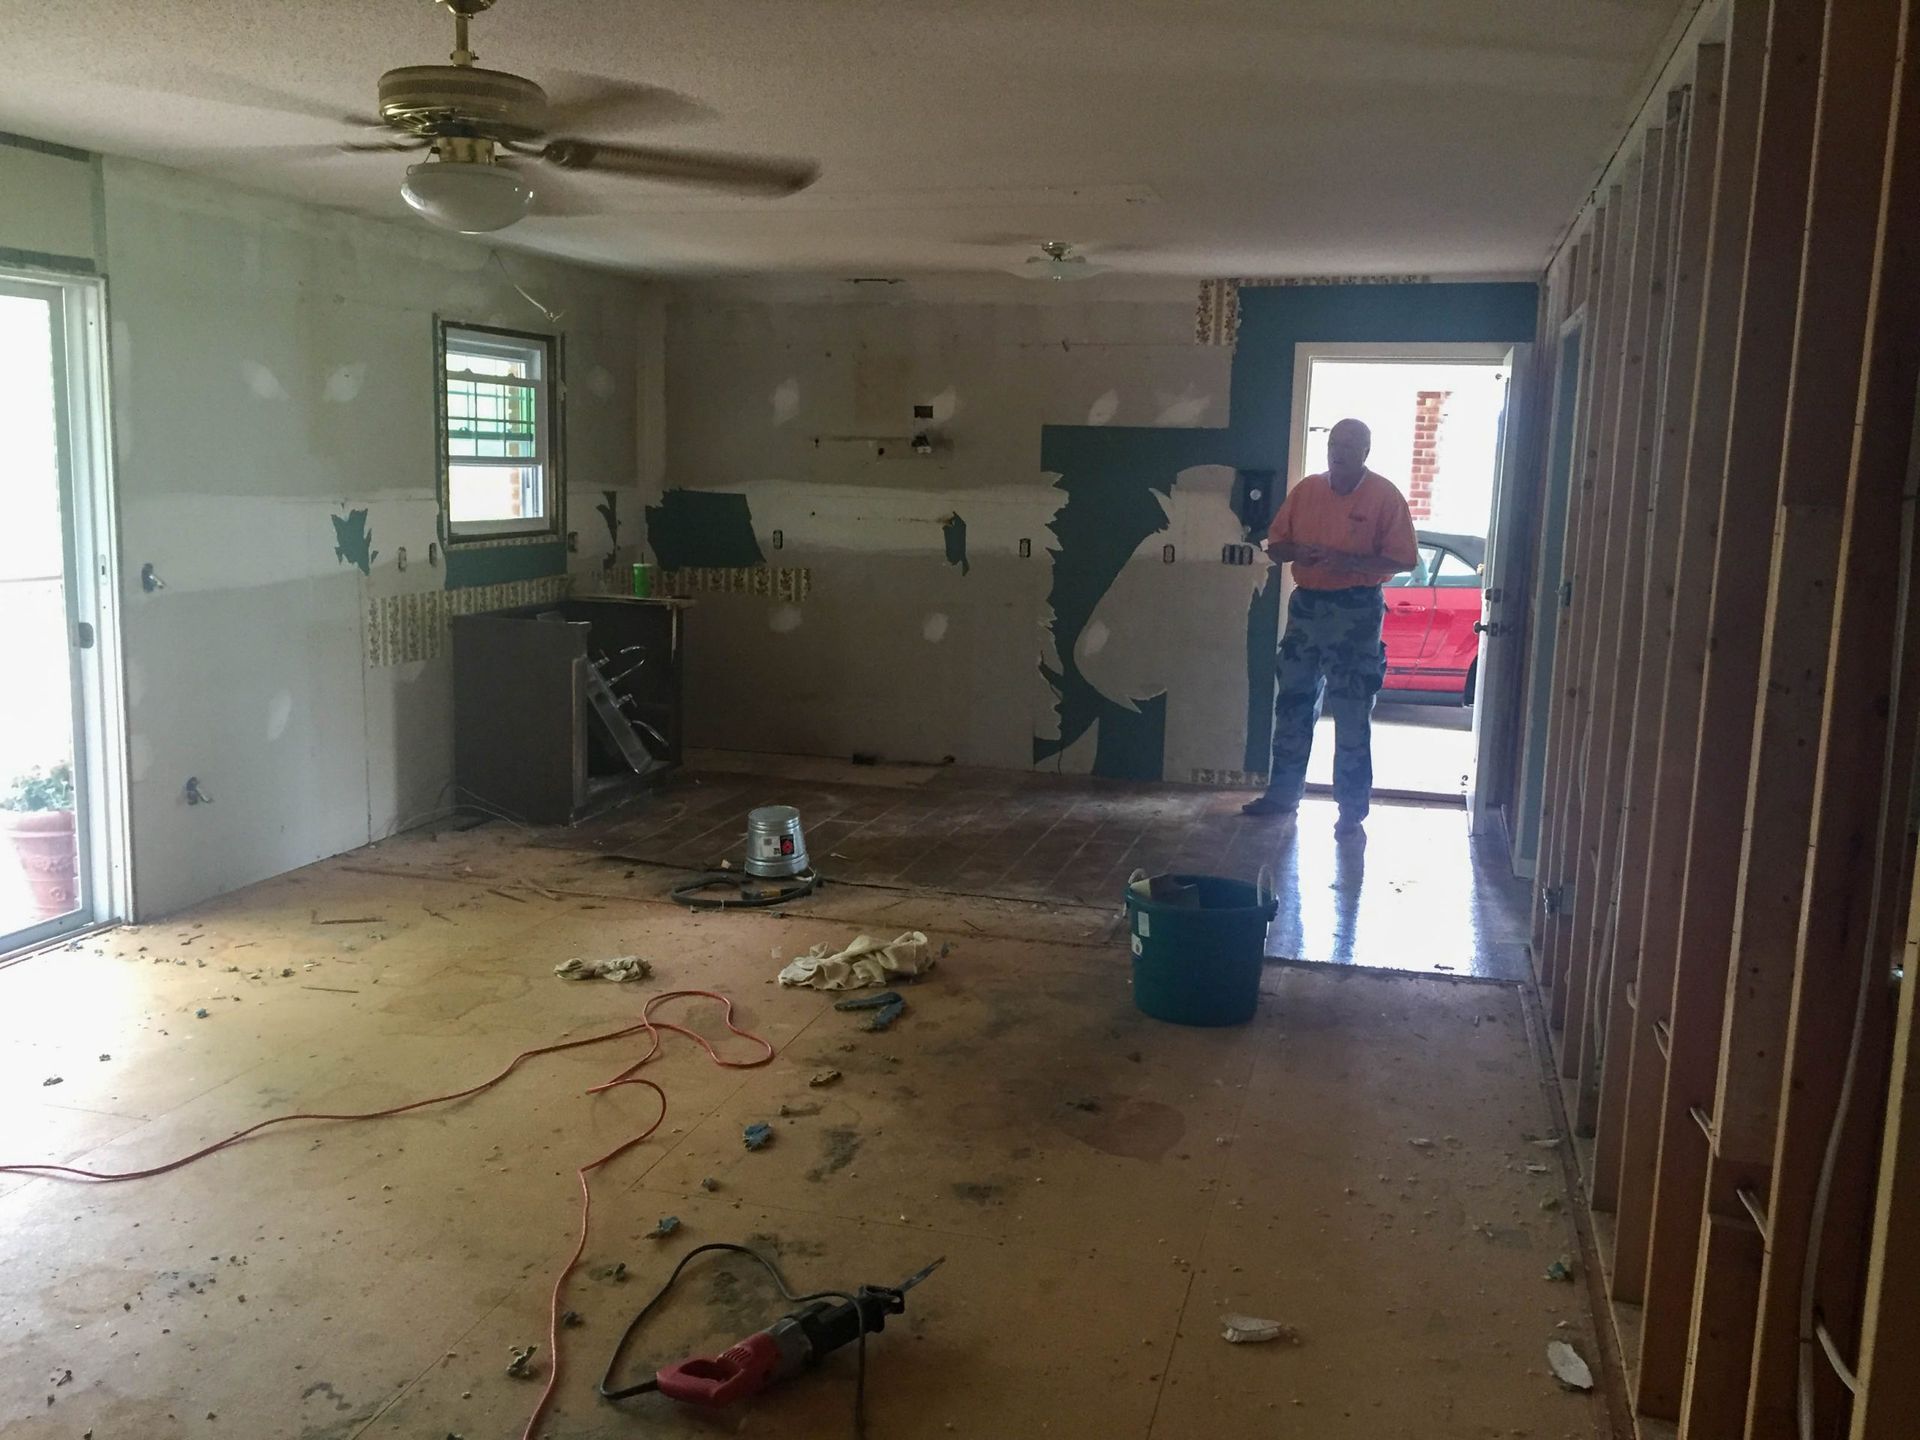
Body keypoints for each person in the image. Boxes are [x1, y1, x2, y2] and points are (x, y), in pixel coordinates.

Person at [1242, 417, 1419, 835]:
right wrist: (1298, 551)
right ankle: (1283, 795)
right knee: (1293, 702)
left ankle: (1351, 811)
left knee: (1352, 709)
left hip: (1356, 611)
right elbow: (1275, 547)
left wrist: (1350, 562)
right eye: (1334, 444)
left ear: (1365, 452)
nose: (1338, 452)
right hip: (1307, 607)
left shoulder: (1384, 496)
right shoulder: (1307, 491)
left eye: (1349, 446)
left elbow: (1404, 559)